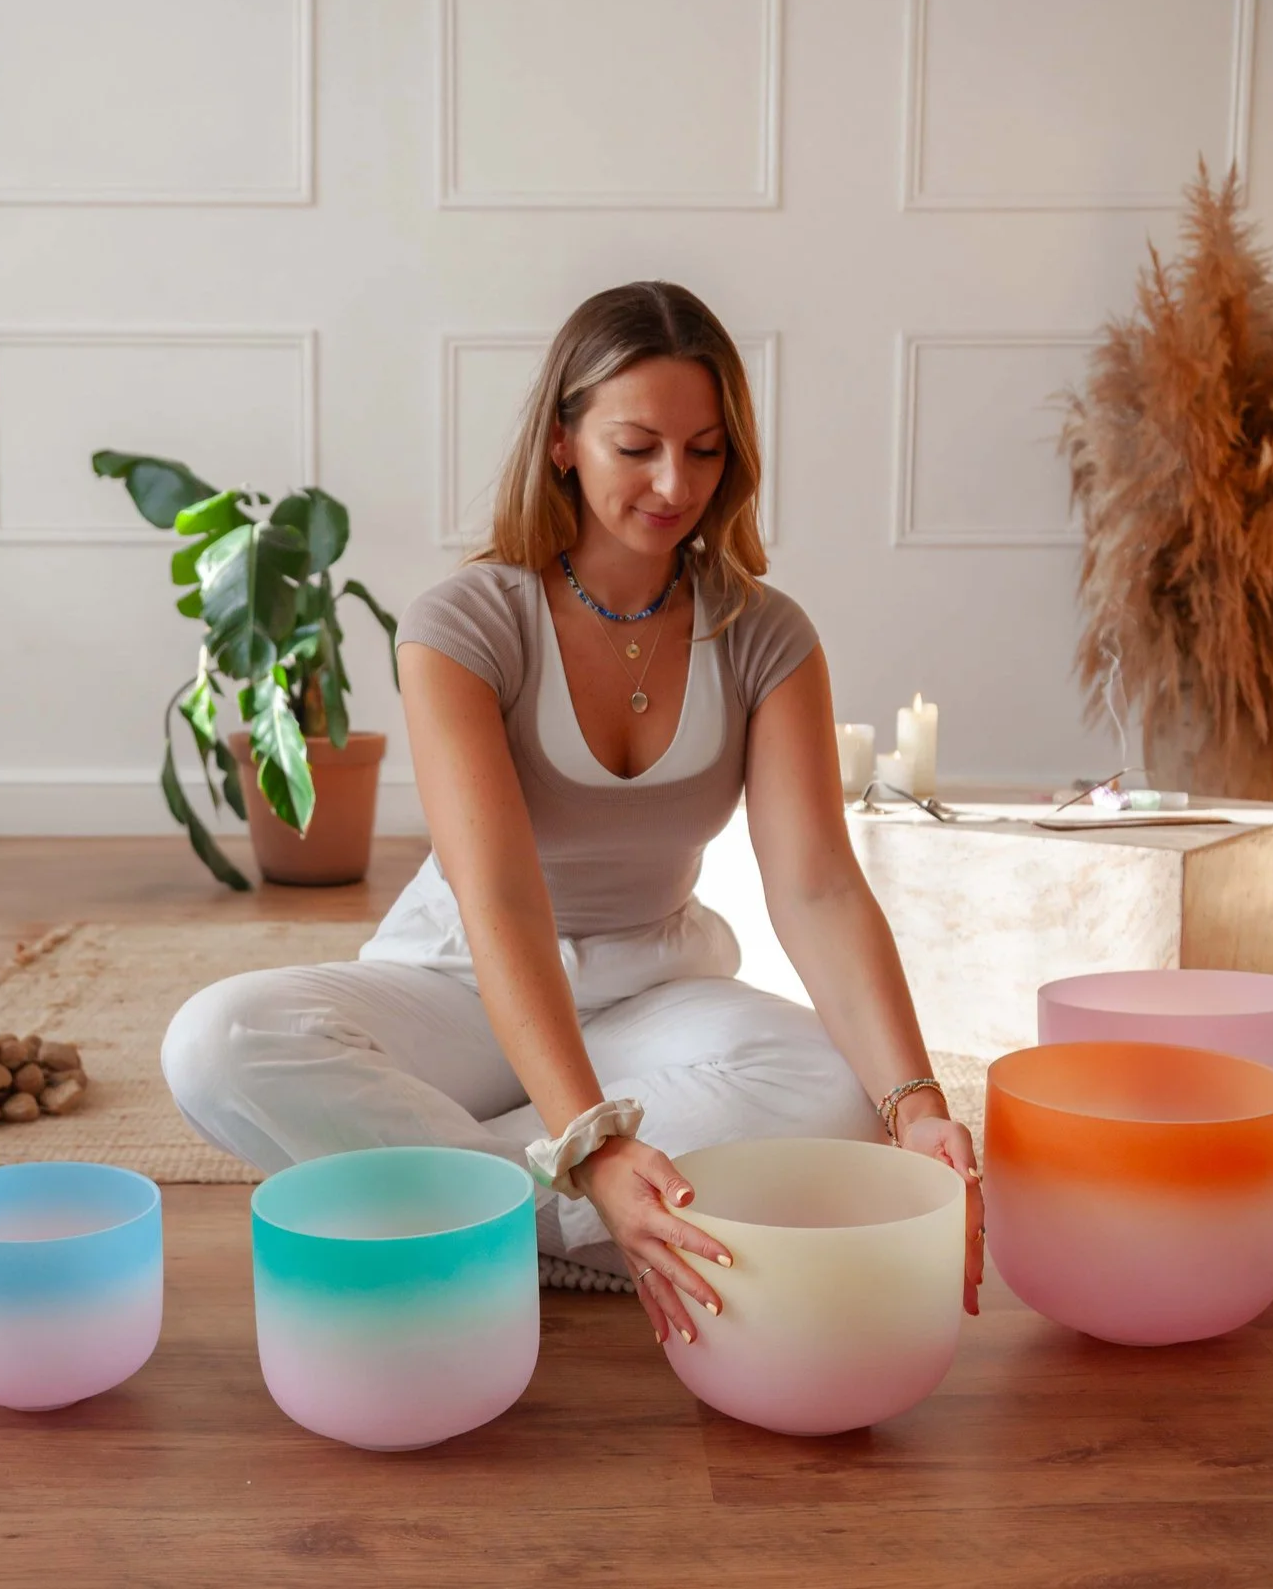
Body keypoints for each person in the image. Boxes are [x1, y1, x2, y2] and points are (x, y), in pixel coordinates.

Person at [161, 280, 982, 1345]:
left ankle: (453, 1203)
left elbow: (817, 885)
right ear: (562, 441)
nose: (673, 481)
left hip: (655, 983)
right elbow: (497, 894)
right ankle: (582, 1207)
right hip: (460, 976)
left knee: (835, 1086)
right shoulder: (464, 623)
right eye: (636, 445)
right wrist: (589, 1143)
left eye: (704, 448)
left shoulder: (766, 636)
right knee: (219, 1039)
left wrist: (917, 1108)